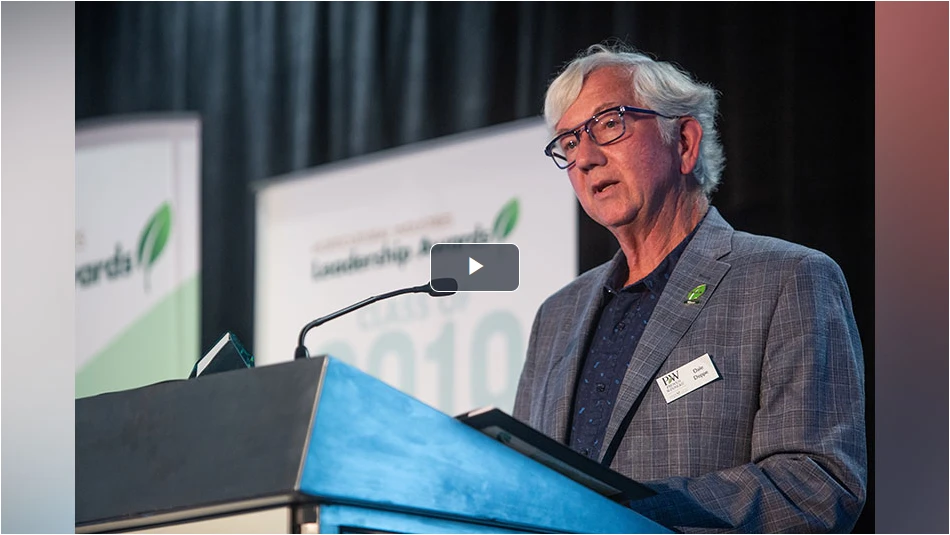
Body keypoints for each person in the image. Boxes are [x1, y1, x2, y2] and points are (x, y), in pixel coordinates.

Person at [513, 44, 867, 533]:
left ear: (684, 141)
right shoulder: (556, 316)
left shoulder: (787, 279)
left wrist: (626, 511)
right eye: (569, 143)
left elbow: (814, 487)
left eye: (609, 124)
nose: (586, 158)